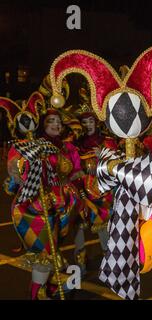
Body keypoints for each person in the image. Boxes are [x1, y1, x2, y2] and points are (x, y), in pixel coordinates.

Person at [8, 109, 85, 299]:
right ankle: (37, 294)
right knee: (44, 255)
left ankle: (46, 288)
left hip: (60, 206)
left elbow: (69, 173)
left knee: (52, 252)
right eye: (51, 121)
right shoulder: (26, 146)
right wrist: (25, 168)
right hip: (34, 207)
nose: (57, 124)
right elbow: (16, 175)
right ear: (41, 124)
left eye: (59, 121)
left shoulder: (60, 147)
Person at [74, 107, 117, 273]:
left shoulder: (107, 141)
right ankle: (79, 264)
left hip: (102, 190)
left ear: (96, 122)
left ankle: (109, 264)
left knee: (103, 227)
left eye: (90, 121)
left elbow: (117, 166)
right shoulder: (76, 143)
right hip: (79, 189)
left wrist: (103, 155)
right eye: (84, 122)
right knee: (78, 226)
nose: (87, 125)